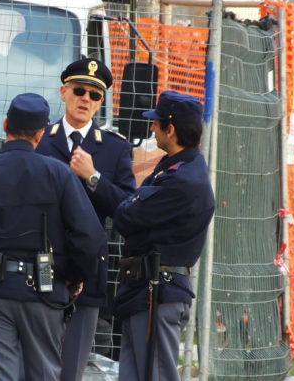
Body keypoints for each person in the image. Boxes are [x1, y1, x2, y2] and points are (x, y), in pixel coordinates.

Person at [0, 92, 104, 381]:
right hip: (46, 291)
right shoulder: (60, 174)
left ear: (5, 125)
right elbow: (90, 236)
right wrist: (73, 277)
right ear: (40, 135)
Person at [35, 57, 136, 381]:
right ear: (63, 92)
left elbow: (126, 207)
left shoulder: (114, 149)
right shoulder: (41, 141)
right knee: (35, 365)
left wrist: (92, 177)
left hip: (88, 269)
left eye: (94, 95)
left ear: (101, 102)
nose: (85, 99)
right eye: (79, 90)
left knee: (71, 368)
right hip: (40, 263)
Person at [112, 90, 215, 381]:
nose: (152, 127)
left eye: (157, 123)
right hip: (145, 290)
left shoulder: (183, 179)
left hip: (159, 291)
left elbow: (125, 216)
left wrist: (135, 199)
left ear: (171, 130)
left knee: (157, 375)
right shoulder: (175, 165)